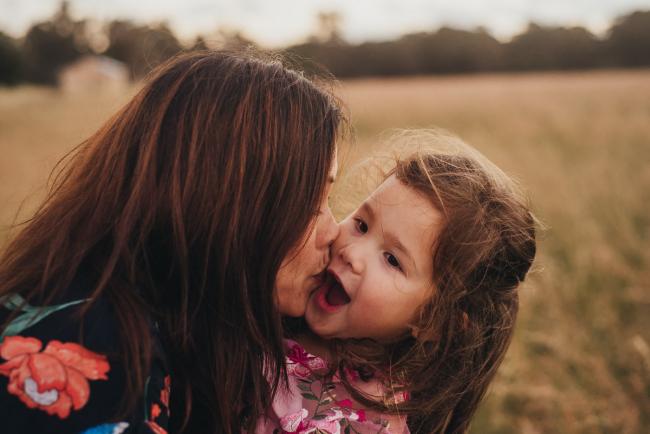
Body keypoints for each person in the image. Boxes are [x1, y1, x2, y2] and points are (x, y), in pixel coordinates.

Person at [0, 50, 346, 434]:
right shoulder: (88, 352)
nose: (335, 232)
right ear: (231, 202)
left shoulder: (192, 325)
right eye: (312, 201)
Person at [256, 131, 537, 433]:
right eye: (362, 225)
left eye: (392, 260)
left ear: (432, 321)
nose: (352, 253)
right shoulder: (276, 299)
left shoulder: (365, 422)